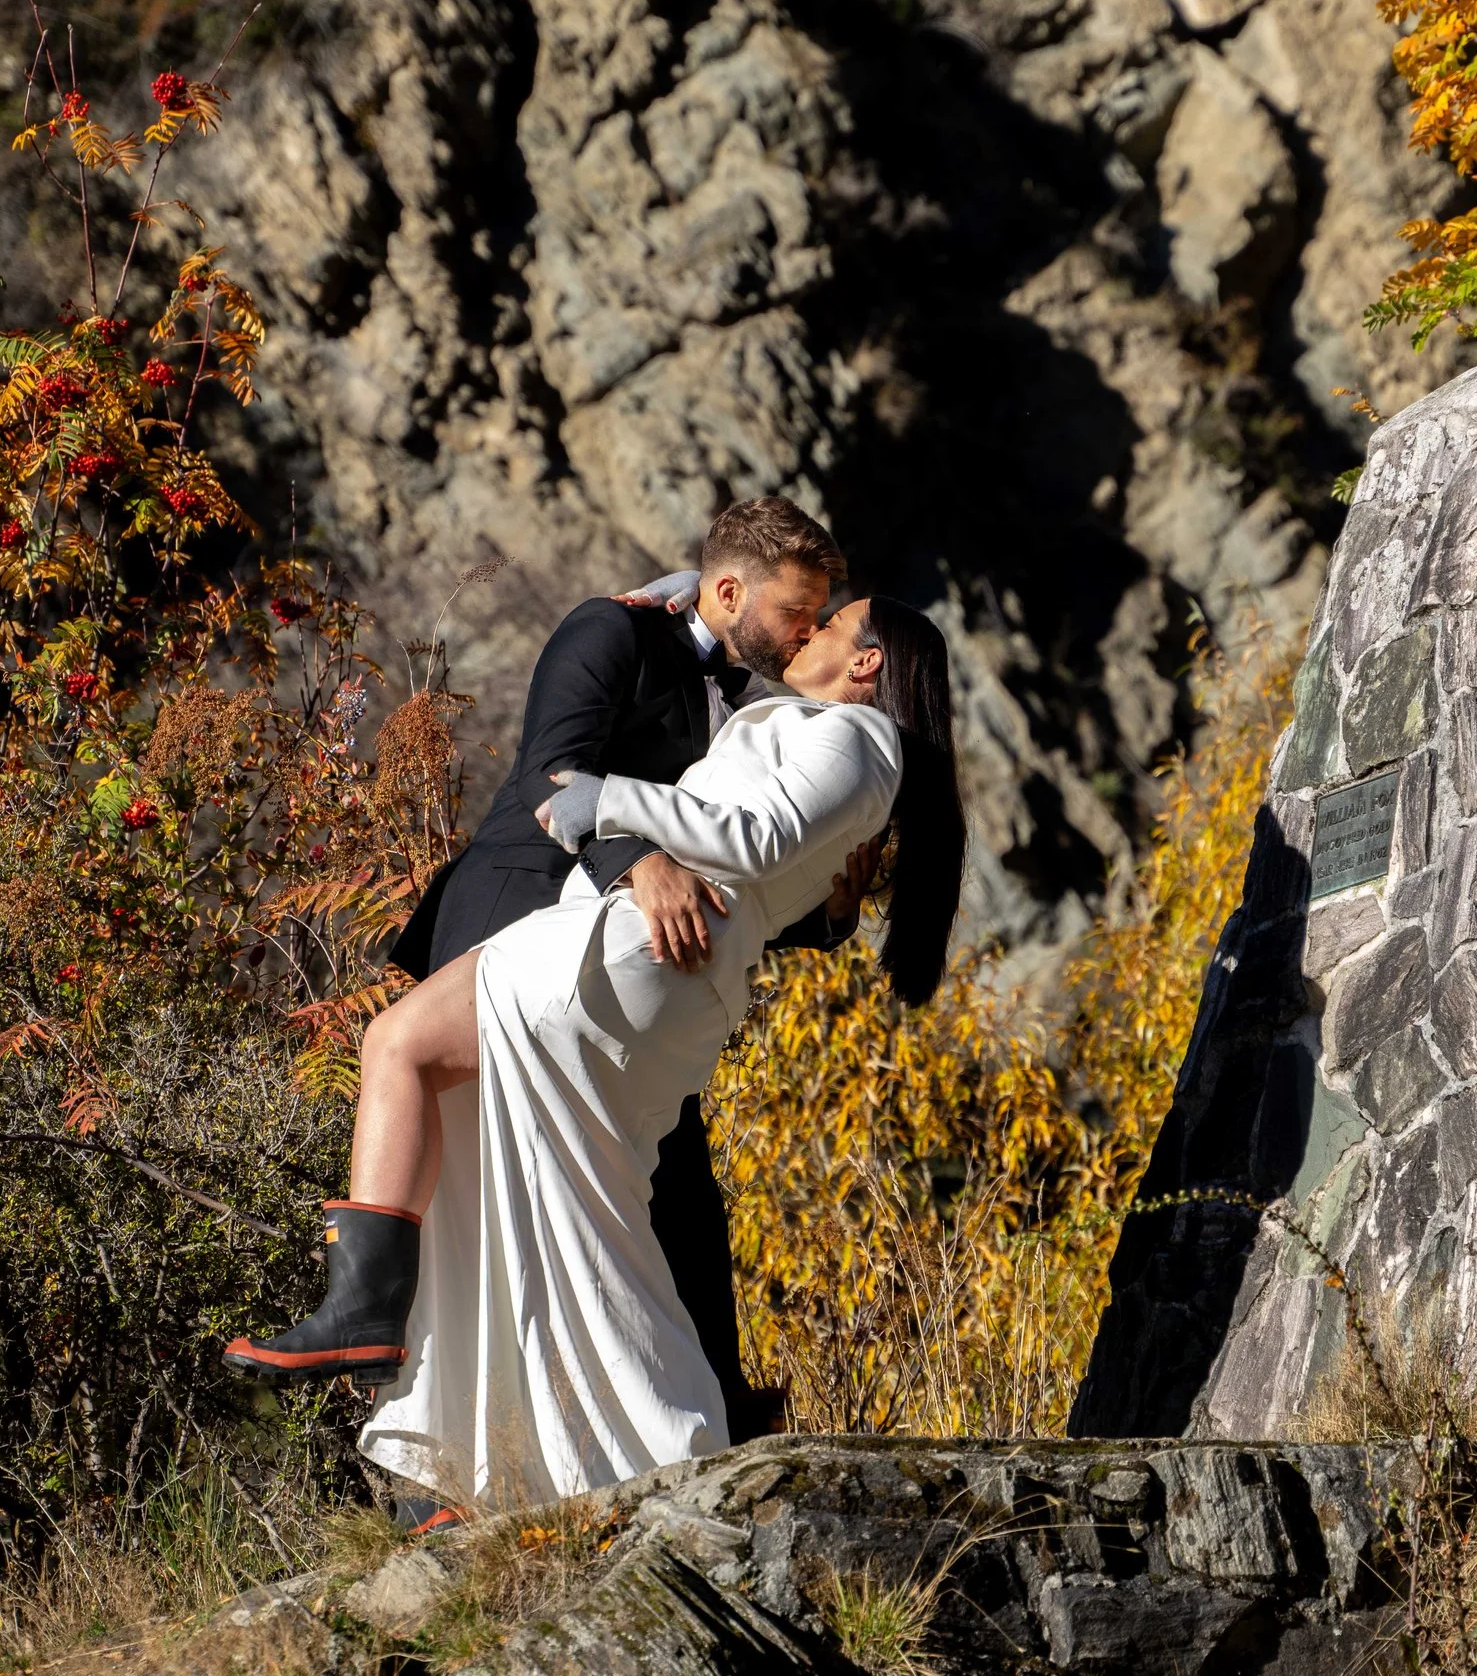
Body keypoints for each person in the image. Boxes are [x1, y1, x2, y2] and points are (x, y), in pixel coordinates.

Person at [233, 594, 964, 1519]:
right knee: (559, 1210)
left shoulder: (857, 743)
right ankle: (514, 1466)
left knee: (400, 1046)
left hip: (626, 956)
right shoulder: (838, 748)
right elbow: (759, 843)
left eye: (828, 623)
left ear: (867, 664)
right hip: (661, 973)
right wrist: (688, 601)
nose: (807, 630)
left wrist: (605, 801)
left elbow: (755, 840)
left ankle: (369, 1323)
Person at [227, 495, 842, 1427]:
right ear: (726, 589)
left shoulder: (749, 702)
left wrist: (834, 903)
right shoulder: (611, 631)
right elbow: (552, 775)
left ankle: (712, 1409)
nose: (807, 632)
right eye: (796, 612)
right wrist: (638, 862)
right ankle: (389, 1375)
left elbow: (727, 862)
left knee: (670, 1183)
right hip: (515, 905)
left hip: (615, 947)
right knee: (487, 1188)